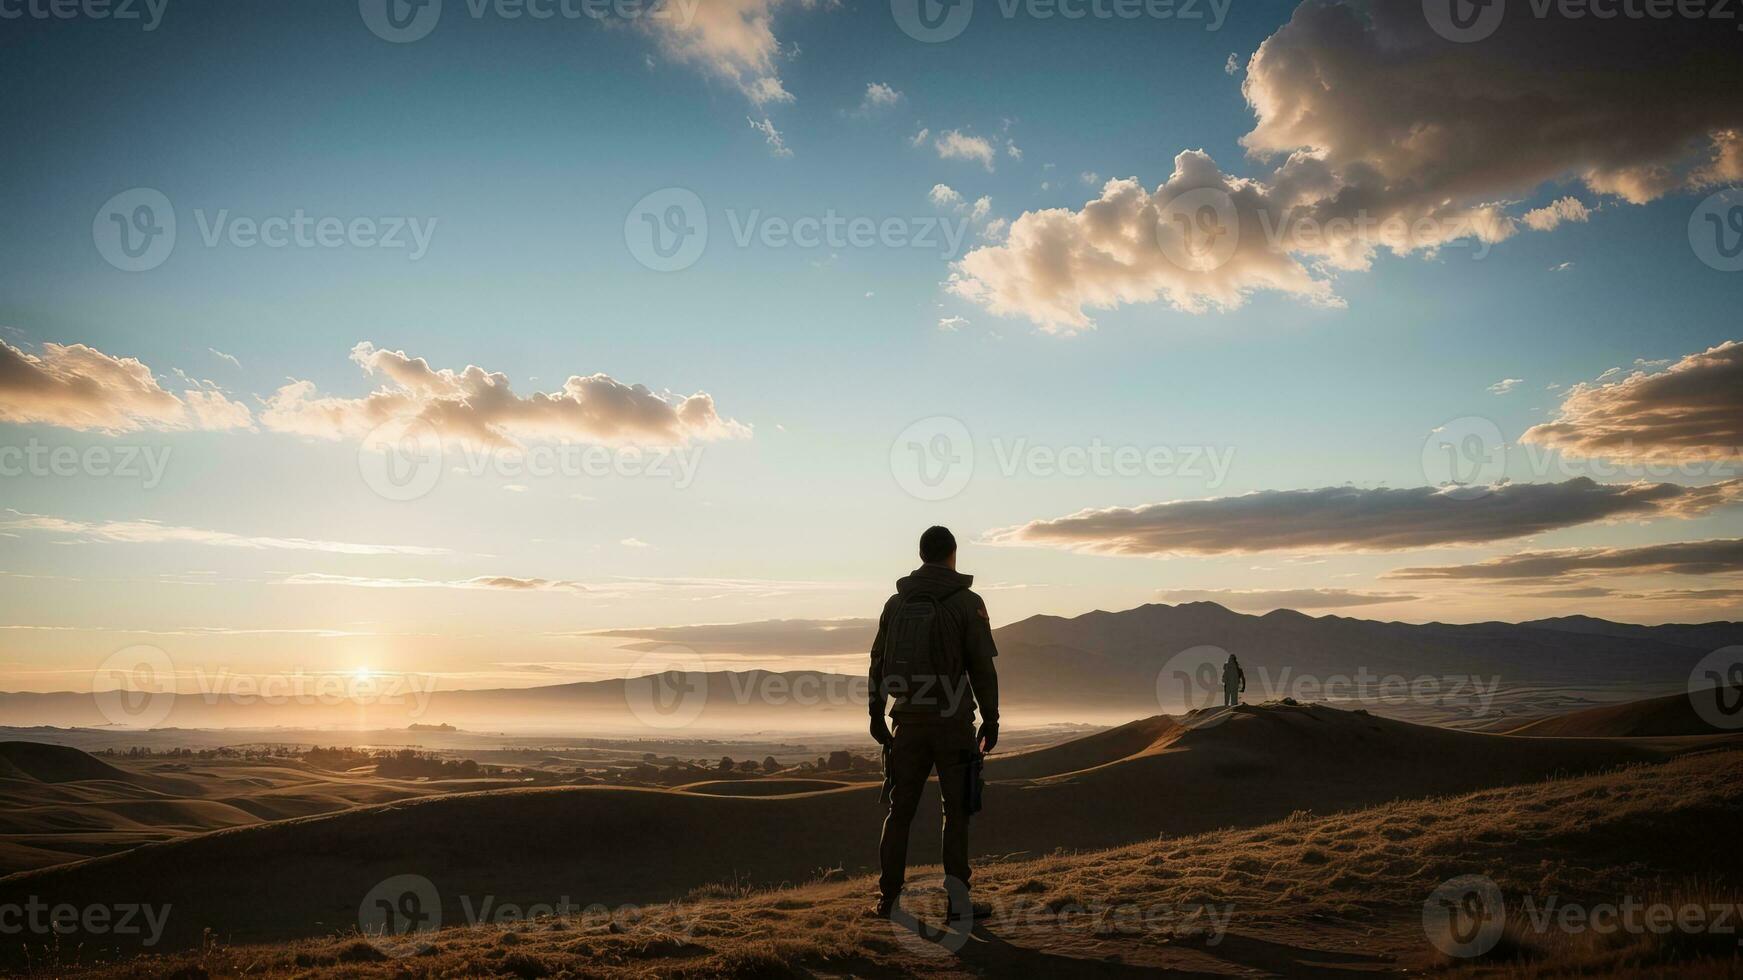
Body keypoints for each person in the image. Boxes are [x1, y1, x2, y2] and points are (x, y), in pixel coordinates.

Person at [868, 526, 1000, 922]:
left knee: (899, 810)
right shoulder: (968, 602)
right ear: (953, 555)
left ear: (921, 554)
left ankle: (888, 900)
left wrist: (876, 713)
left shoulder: (896, 604)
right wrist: (990, 719)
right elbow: (982, 667)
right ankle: (958, 905)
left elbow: (877, 662)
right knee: (956, 811)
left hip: (906, 719)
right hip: (953, 721)